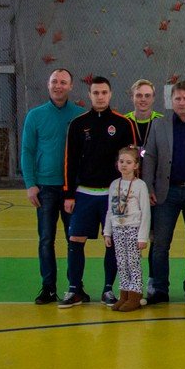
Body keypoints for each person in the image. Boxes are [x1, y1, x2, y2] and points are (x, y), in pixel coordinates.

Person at [59, 76, 136, 308]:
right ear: (89, 95)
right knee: (75, 239)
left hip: (114, 195)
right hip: (84, 193)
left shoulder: (124, 124)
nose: (100, 97)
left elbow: (134, 158)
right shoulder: (78, 124)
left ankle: (108, 289)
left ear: (110, 94)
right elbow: (69, 160)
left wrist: (130, 193)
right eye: (96, 93)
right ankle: (74, 289)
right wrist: (68, 194)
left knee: (112, 241)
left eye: (104, 92)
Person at [141, 80, 185, 305]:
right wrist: (148, 187)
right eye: (177, 98)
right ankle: (160, 289)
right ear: (171, 100)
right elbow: (149, 156)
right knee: (160, 244)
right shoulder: (158, 124)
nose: (181, 102)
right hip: (165, 192)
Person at [21, 68, 83, 305]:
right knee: (46, 239)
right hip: (44, 188)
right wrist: (30, 184)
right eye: (54, 81)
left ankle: (75, 287)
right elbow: (27, 151)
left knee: (73, 239)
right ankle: (48, 287)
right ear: (48, 85)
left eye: (63, 82)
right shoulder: (35, 116)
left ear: (70, 86)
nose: (58, 86)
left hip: (71, 189)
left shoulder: (79, 116)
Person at [102, 146, 150, 312]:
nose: (124, 165)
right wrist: (107, 232)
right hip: (117, 229)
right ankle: (124, 295)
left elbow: (146, 212)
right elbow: (110, 210)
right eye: (121, 161)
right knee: (121, 263)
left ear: (136, 165)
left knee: (133, 263)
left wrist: (142, 237)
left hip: (133, 229)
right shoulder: (114, 184)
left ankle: (135, 296)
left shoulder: (140, 185)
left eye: (128, 162)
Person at [124, 79, 163, 149]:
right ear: (132, 98)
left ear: (153, 98)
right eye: (139, 95)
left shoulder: (162, 121)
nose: (143, 99)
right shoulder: (123, 121)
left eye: (147, 96)